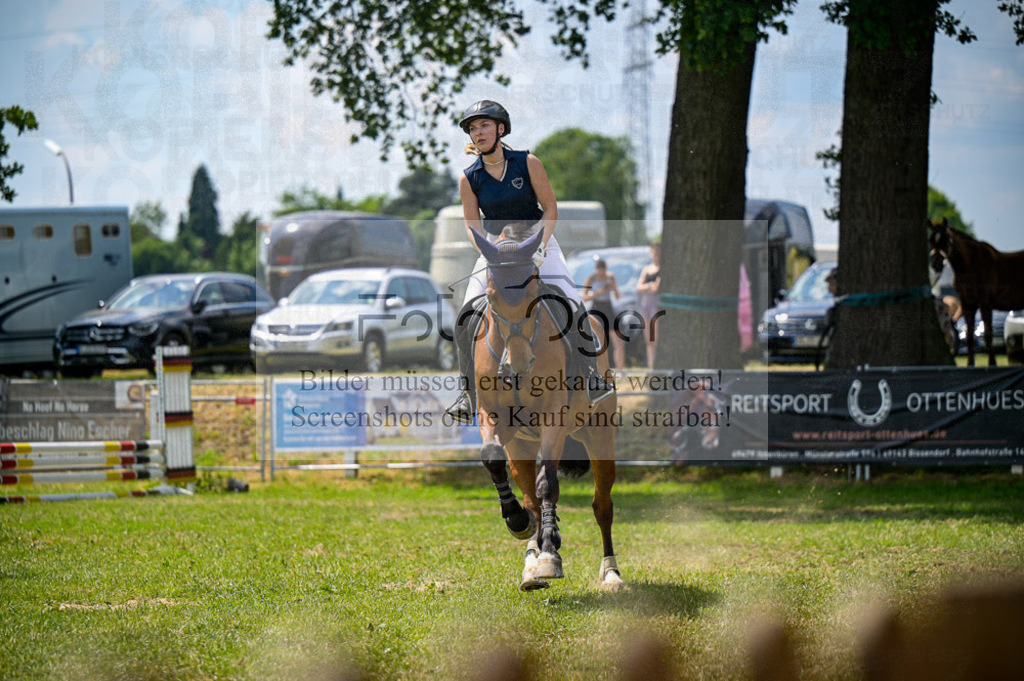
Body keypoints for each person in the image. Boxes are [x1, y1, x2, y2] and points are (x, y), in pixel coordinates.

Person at [445, 100, 614, 424]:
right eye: (473, 129)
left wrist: (540, 244)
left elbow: (550, 208)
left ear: (500, 129)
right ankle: (467, 394)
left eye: (484, 125)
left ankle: (592, 377)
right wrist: (489, 251)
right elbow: (471, 226)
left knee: (572, 301)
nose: (478, 132)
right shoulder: (470, 178)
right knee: (466, 314)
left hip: (537, 240)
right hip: (496, 250)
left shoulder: (527, 162)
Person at [582, 259, 626, 373]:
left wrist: (613, 287)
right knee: (598, 342)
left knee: (618, 342)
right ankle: (597, 370)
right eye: (600, 272)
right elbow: (585, 297)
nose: (602, 274)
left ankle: (621, 370)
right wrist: (598, 292)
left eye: (603, 272)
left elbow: (617, 296)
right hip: (596, 308)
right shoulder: (591, 278)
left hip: (608, 308)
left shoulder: (610, 277)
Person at [636, 240, 661, 369]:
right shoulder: (647, 269)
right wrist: (649, 286)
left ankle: (656, 364)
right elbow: (639, 287)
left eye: (658, 250)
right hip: (646, 304)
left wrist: (648, 286)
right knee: (648, 339)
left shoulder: (662, 269)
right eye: (654, 250)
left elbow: (657, 288)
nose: (656, 253)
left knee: (655, 337)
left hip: (656, 305)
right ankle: (650, 364)